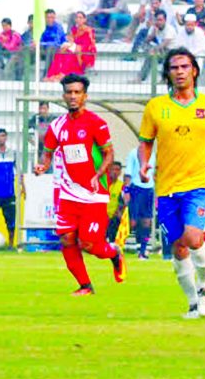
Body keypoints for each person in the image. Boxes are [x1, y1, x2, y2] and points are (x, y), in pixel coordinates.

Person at [138, 48, 205, 319]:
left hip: (199, 184)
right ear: (168, 73)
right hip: (167, 187)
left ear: (195, 71)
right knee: (178, 246)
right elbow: (146, 142)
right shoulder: (156, 107)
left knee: (194, 238)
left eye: (184, 66)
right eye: (174, 67)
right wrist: (144, 163)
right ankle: (192, 302)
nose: (179, 72)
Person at [34, 74, 126, 295]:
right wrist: (42, 166)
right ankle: (85, 285)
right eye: (69, 92)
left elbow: (109, 153)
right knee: (66, 239)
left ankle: (114, 253)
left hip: (94, 194)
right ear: (64, 95)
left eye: (77, 92)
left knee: (88, 244)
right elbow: (48, 154)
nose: (73, 96)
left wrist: (98, 174)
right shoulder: (56, 126)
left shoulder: (96, 123)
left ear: (85, 95)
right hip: (68, 193)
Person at [46, 12, 96, 82]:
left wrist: (76, 47)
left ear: (85, 20)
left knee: (69, 55)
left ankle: (63, 74)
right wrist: (69, 45)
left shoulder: (89, 30)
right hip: (74, 49)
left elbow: (90, 45)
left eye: (80, 18)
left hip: (84, 53)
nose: (78, 19)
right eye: (77, 18)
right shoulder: (74, 29)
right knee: (59, 53)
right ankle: (54, 74)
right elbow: (71, 40)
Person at [124, 146, 154, 260]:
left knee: (147, 221)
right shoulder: (133, 153)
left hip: (149, 190)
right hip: (136, 188)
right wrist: (126, 191)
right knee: (132, 222)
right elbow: (128, 174)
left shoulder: (155, 154)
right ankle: (119, 244)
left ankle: (142, 250)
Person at [0, 128, 20, 250]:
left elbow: (19, 171)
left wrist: (23, 186)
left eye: (3, 136)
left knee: (11, 221)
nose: (1, 138)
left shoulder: (13, 153)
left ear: (6, 137)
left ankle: (11, 245)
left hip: (9, 192)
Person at [105, 161, 126, 246]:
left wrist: (118, 211)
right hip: (101, 214)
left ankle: (113, 243)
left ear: (120, 172)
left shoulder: (121, 185)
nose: (115, 172)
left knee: (117, 219)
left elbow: (123, 201)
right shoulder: (103, 183)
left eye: (117, 170)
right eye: (113, 169)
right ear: (109, 170)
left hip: (114, 215)